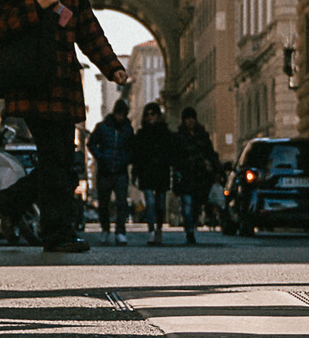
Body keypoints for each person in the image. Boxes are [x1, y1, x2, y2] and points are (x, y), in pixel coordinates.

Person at [0, 0, 126, 254]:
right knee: (55, 159)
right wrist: (35, 3)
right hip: (34, 81)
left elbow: (88, 29)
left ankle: (11, 201)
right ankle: (56, 233)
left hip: (63, 83)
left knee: (62, 161)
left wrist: (112, 68)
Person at [88, 100, 136, 245]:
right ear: (115, 113)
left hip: (120, 171)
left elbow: (132, 148)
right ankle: (105, 229)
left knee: (121, 202)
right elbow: (91, 143)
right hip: (105, 171)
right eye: (119, 114)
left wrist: (126, 159)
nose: (121, 117)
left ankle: (120, 231)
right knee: (104, 203)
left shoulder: (128, 129)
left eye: (123, 114)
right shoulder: (103, 127)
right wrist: (101, 157)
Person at [132, 101, 180, 245]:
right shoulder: (141, 134)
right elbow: (136, 155)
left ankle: (158, 229)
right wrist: (135, 172)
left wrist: (172, 168)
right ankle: (151, 230)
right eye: (147, 115)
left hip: (161, 172)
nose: (150, 117)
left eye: (153, 114)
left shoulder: (166, 133)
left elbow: (172, 154)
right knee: (151, 203)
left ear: (158, 116)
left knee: (160, 204)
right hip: (146, 172)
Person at [171, 109, 218, 246]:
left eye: (192, 118)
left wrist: (214, 167)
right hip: (185, 175)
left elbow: (210, 153)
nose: (190, 121)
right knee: (187, 204)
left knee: (196, 205)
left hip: (200, 176)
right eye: (187, 118)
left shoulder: (202, 135)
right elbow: (175, 157)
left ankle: (192, 223)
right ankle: (189, 231)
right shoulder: (179, 136)